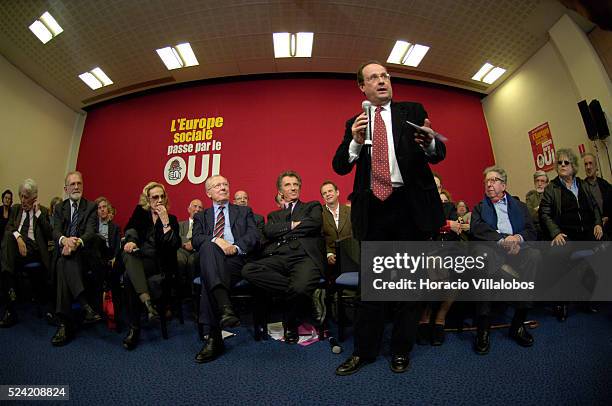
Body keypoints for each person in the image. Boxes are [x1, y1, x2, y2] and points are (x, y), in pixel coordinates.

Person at [332, 60, 446, 375]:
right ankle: (364, 352)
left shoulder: (411, 110)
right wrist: (355, 141)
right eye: (373, 77)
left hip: (410, 209)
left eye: (385, 76)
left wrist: (431, 142)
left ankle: (400, 350)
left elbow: (437, 153)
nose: (381, 81)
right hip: (375, 211)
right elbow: (340, 166)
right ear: (362, 87)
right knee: (372, 289)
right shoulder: (354, 122)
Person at [242, 171, 325, 344]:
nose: (293, 187)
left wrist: (285, 232)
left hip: (304, 256)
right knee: (249, 269)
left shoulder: (312, 206)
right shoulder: (274, 215)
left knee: (301, 288)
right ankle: (300, 291)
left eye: (295, 184)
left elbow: (314, 223)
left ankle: (291, 324)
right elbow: (268, 231)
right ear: (280, 191)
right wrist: (293, 225)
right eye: (288, 185)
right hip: (279, 256)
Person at [470, 166, 540, 354]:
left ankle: (517, 324)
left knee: (534, 255)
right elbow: (477, 229)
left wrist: (517, 239)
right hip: (494, 249)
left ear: (504, 185)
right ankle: (483, 329)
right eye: (486, 181)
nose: (489, 184)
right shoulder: (479, 207)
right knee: (482, 258)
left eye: (493, 180)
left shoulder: (520, 207)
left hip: (518, 249)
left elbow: (532, 231)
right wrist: (502, 241)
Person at [192, 176, 259, 363]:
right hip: (212, 258)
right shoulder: (201, 216)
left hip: (235, 260)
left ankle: (214, 337)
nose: (223, 188)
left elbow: (254, 235)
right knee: (207, 247)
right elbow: (196, 239)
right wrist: (216, 240)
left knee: (208, 275)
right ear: (208, 193)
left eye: (225, 184)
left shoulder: (244, 211)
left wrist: (235, 247)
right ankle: (225, 308)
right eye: (217, 186)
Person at [539, 148, 603, 321]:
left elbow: (595, 207)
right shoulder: (552, 188)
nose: (562, 165)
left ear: (573, 166)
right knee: (558, 258)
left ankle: (585, 299)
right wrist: (556, 233)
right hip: (566, 236)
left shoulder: (582, 184)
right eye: (559, 162)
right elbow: (544, 214)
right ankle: (561, 303)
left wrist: (597, 223)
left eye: (566, 162)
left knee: (601, 254)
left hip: (587, 234)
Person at [121, 181, 181, 350]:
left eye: (162, 197)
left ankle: (135, 328)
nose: (159, 200)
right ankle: (147, 305)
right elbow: (130, 229)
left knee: (128, 277)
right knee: (128, 257)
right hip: (142, 259)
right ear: (148, 199)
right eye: (155, 197)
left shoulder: (172, 219)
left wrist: (164, 221)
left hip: (161, 264)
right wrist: (132, 241)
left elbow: (174, 244)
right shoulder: (141, 213)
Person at [51, 171, 101, 346]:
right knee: (63, 262)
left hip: (84, 255)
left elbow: (90, 232)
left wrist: (76, 242)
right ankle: (84, 306)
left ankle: (64, 324)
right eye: (72, 184)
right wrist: (64, 240)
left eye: (79, 183)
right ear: (66, 188)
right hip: (65, 253)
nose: (76, 187)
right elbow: (55, 231)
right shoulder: (59, 208)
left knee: (63, 262)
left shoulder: (91, 206)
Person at [0, 180, 52, 327]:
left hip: (33, 250)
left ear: (34, 197)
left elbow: (49, 234)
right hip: (17, 248)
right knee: (8, 239)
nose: (23, 200)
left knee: (6, 245)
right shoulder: (15, 209)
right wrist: (19, 237)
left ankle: (10, 296)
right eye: (21, 196)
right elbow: (9, 227)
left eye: (26, 197)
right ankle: (11, 303)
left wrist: (38, 213)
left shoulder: (42, 210)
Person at [320, 180, 351, 279]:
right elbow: (320, 237)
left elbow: (355, 233)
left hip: (350, 256)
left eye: (330, 191)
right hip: (330, 259)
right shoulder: (319, 213)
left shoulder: (350, 210)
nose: (328, 194)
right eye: (324, 193)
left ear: (337, 192)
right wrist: (328, 254)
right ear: (322, 197)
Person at [177, 199, 203, 295]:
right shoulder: (180, 224)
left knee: (192, 261)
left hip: (196, 251)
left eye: (200, 207)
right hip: (181, 250)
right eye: (195, 206)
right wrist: (185, 243)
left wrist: (193, 244)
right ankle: (179, 292)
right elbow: (176, 236)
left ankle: (192, 293)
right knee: (179, 260)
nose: (197, 209)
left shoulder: (204, 226)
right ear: (189, 209)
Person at [583, 153, 611, 234]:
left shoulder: (605, 185)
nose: (588, 167)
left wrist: (608, 217)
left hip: (608, 227)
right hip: (592, 230)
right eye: (586, 164)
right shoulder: (581, 188)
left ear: (596, 166)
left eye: (590, 163)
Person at [525, 170, 549, 239]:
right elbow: (531, 216)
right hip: (538, 232)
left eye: (542, 181)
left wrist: (538, 209)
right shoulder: (530, 197)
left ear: (547, 183)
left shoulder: (551, 195)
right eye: (537, 181)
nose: (539, 184)